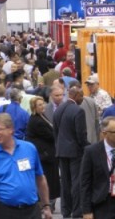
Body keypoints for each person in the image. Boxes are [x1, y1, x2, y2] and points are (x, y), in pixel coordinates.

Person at [53, 86, 89, 218]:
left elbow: (55, 133)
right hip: (75, 152)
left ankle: (65, 210)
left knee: (65, 183)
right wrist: (87, 148)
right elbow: (81, 135)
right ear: (75, 95)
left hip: (61, 151)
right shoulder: (79, 111)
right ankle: (77, 211)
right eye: (81, 95)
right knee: (77, 182)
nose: (83, 98)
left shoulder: (58, 110)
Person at [26, 96, 60, 213]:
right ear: (34, 107)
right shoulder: (37, 121)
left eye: (43, 104)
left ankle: (49, 203)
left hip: (47, 154)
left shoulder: (41, 116)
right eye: (39, 105)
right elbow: (51, 135)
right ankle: (46, 204)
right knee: (48, 179)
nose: (43, 106)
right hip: (44, 155)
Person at [80, 116, 115, 219]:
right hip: (102, 203)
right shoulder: (91, 152)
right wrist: (86, 211)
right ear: (105, 134)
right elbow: (85, 183)